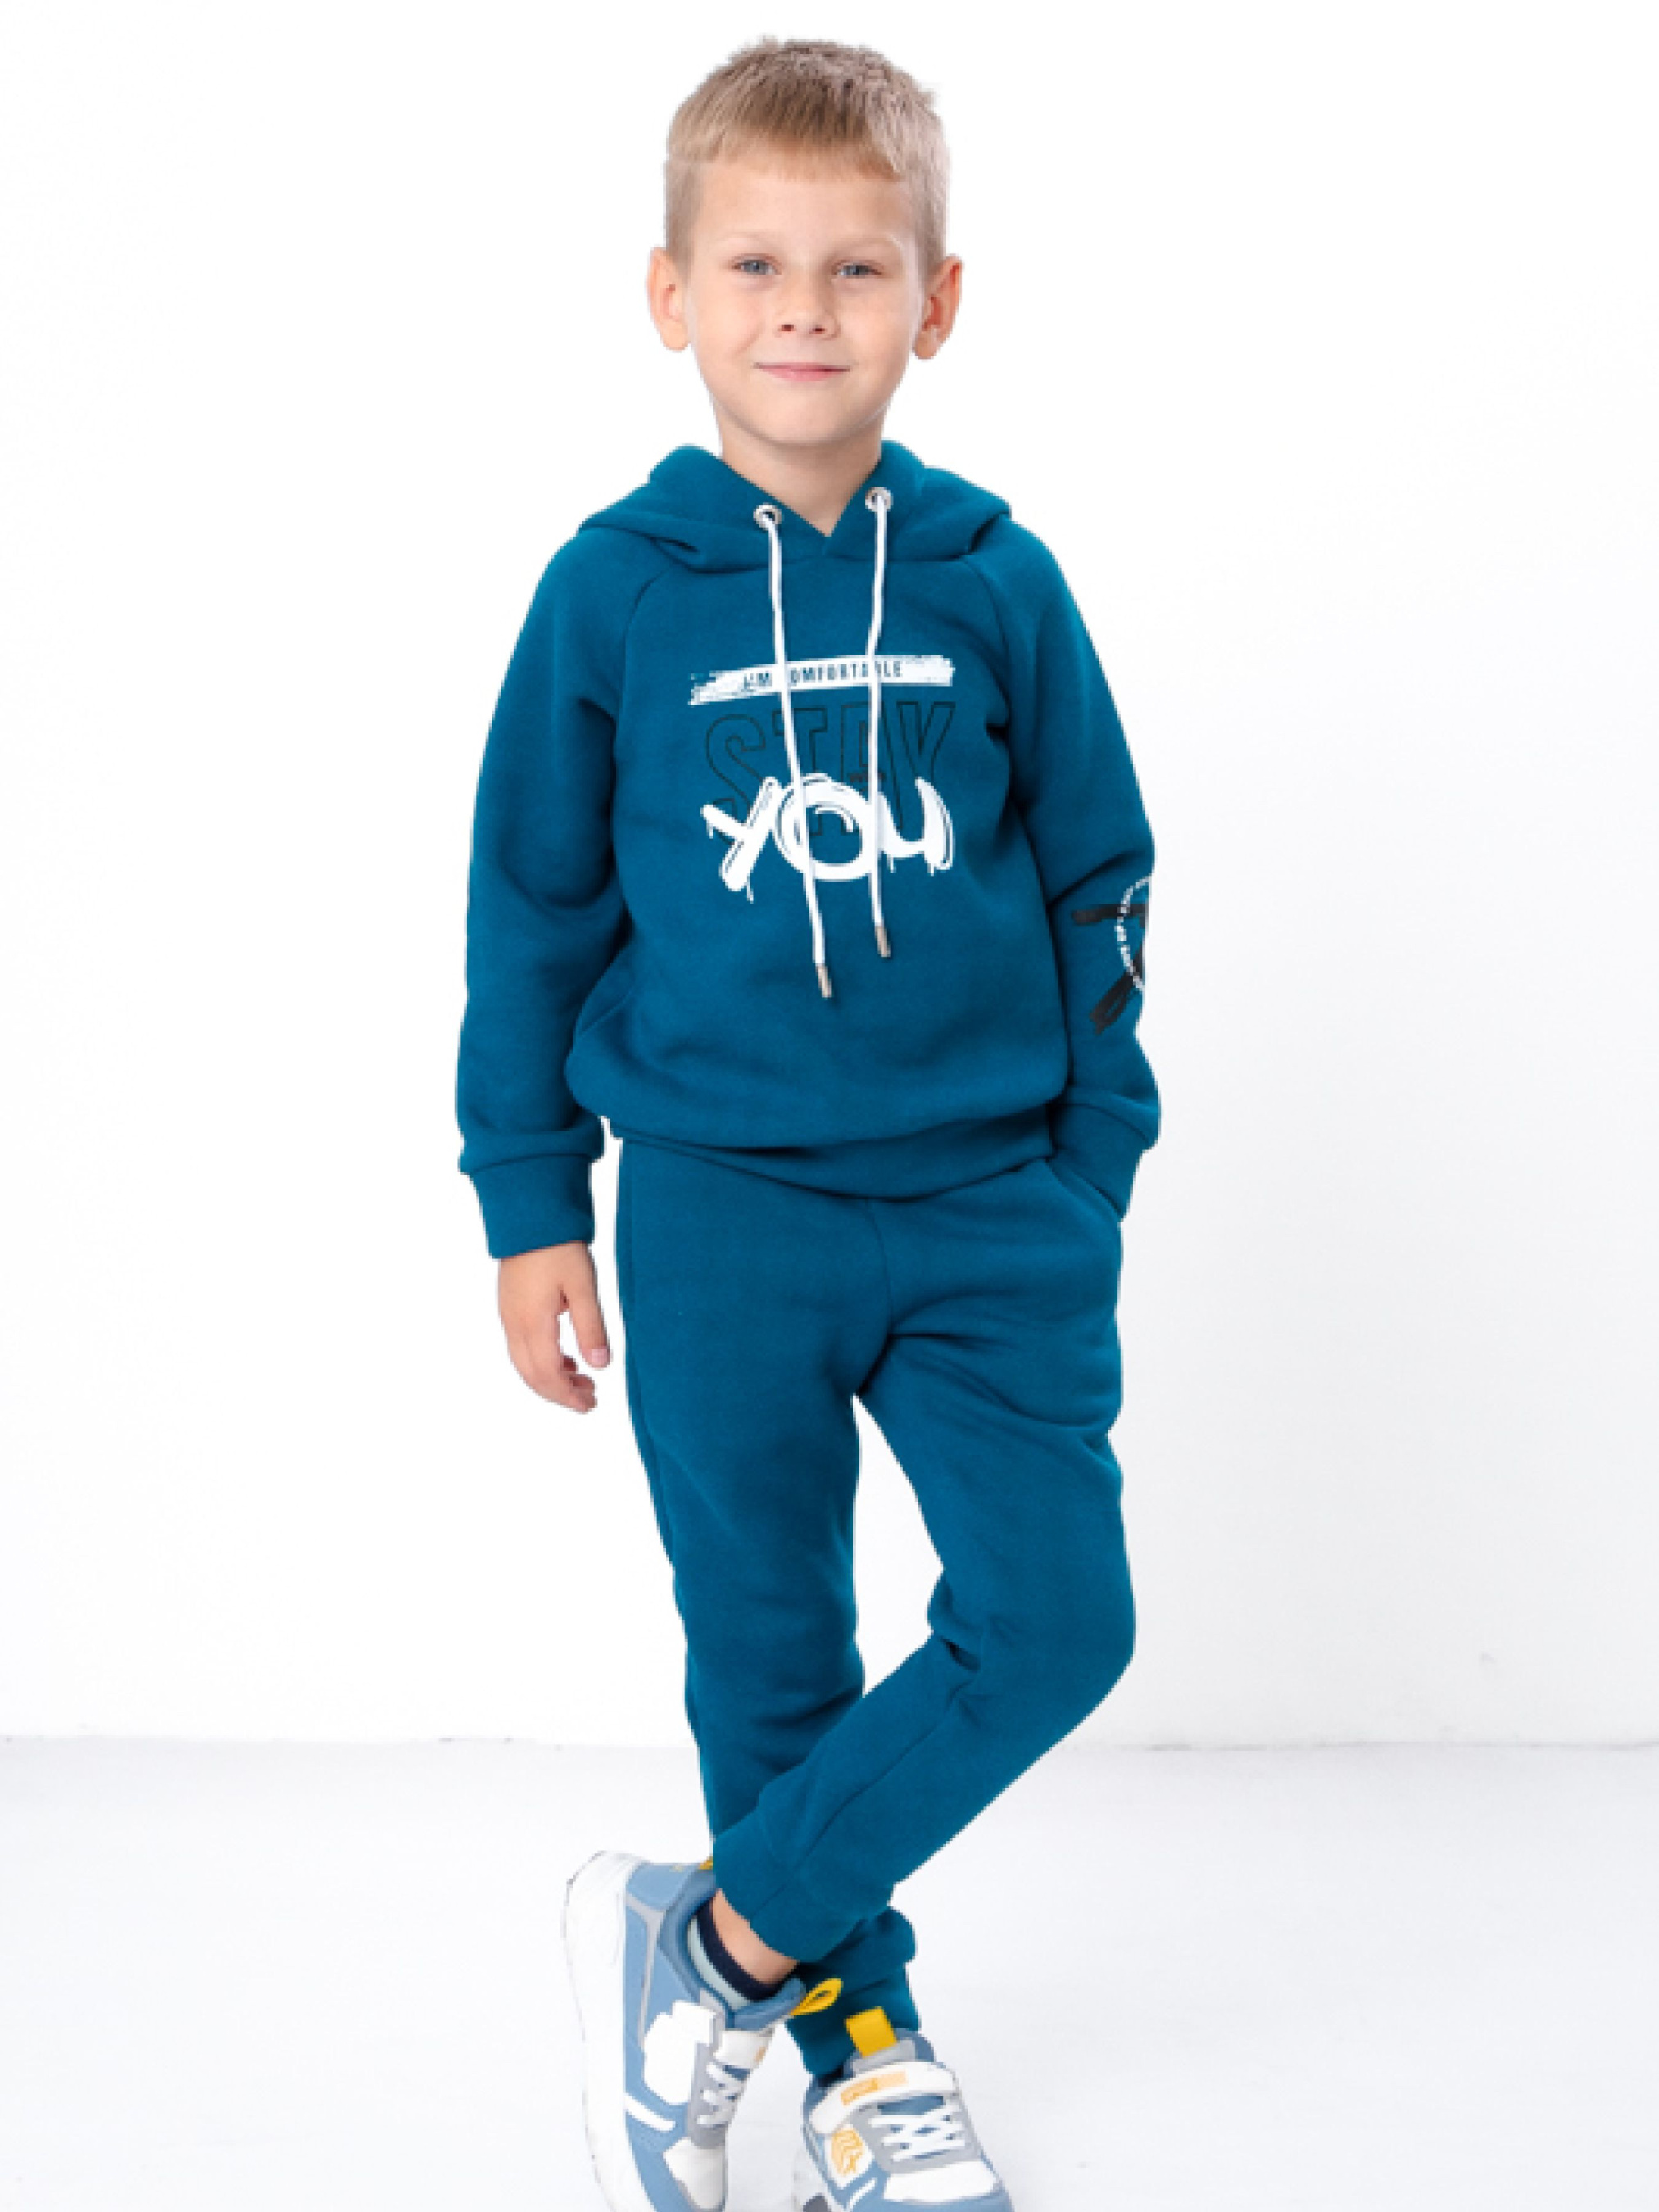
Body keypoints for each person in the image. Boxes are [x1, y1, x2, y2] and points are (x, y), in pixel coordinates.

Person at [456, 34, 1159, 2212]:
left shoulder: (995, 576)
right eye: (753, 263)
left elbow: (1099, 875)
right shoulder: (612, 590)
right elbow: (534, 910)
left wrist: (1089, 1165)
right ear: (669, 293)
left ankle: (711, 1949)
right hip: (718, 1209)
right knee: (771, 1648)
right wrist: (530, 1199)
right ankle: (862, 2060)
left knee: (1055, 1619)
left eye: (857, 267)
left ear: (933, 302)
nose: (802, 308)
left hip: (989, 1203)